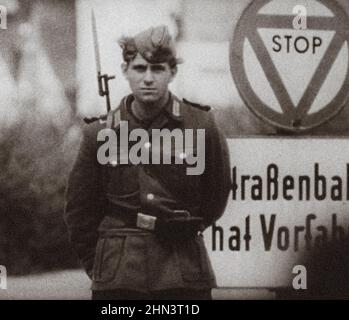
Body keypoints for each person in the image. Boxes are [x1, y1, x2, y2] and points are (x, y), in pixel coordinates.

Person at [64, 25, 231, 300]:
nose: (149, 78)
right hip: (119, 276)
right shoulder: (101, 133)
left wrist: (182, 225)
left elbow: (217, 193)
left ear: (172, 72)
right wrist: (100, 266)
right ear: (125, 70)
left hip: (182, 271)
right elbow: (80, 209)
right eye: (140, 69)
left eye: (158, 69)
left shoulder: (200, 126)